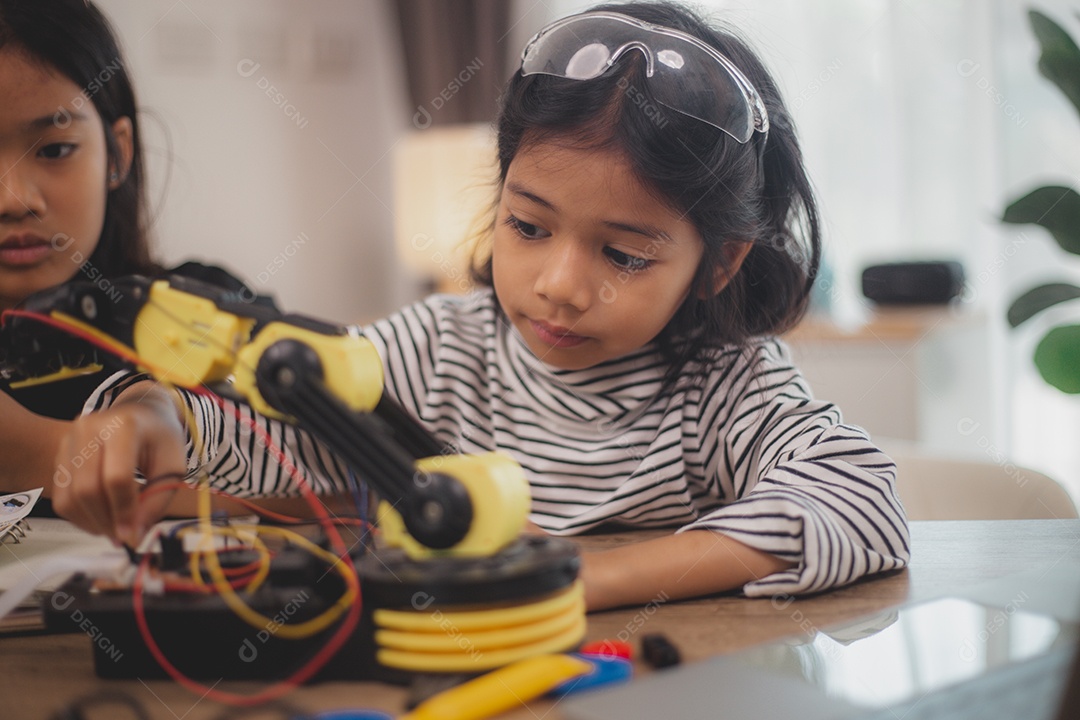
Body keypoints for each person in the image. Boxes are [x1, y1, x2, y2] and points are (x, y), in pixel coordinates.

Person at [49, 1, 910, 611]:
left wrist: (589, 578)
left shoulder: (726, 387)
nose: (560, 283)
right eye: (528, 226)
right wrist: (160, 415)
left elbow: (862, 496)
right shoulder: (439, 350)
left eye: (623, 254)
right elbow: (286, 436)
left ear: (719, 264)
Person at [0, 0, 286, 519]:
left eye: (55, 150)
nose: (14, 199)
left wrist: (34, 453)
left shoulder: (201, 309)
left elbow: (331, 486)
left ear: (118, 154)